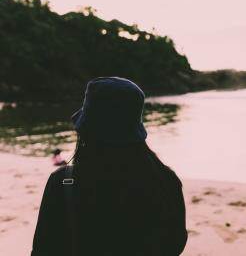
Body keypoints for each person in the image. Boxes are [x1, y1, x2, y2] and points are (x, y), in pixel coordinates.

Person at [31, 77, 187, 256]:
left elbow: (43, 250)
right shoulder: (166, 181)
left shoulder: (64, 183)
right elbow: (175, 245)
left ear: (86, 130)